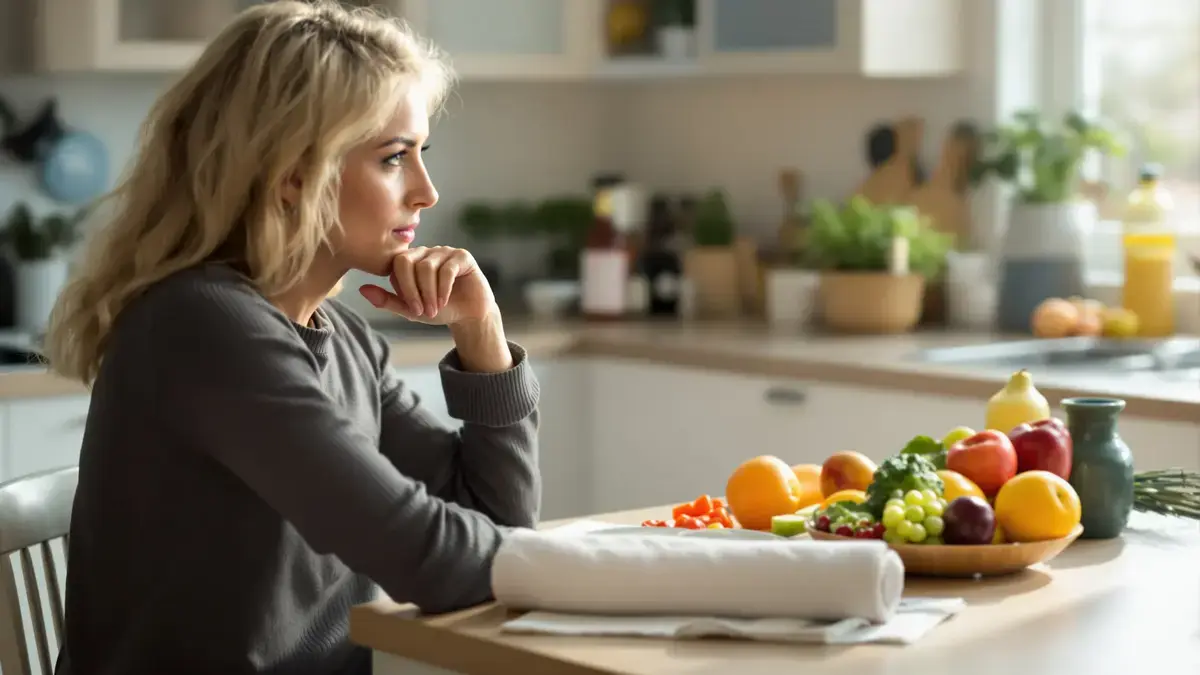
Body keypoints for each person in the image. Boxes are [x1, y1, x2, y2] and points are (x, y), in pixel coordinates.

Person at [42, 2, 541, 673]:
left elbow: (498, 528)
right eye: (394, 157)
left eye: (421, 154)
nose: (426, 191)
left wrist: (483, 338)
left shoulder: (343, 340)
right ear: (292, 174)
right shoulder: (205, 327)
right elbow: (429, 557)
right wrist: (613, 573)